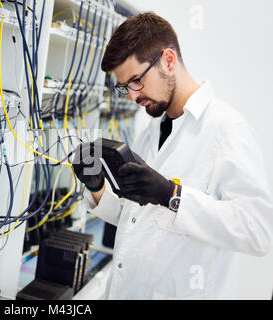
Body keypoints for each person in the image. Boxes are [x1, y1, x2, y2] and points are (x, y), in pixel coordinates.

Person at [72, 12, 273, 299]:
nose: (131, 96)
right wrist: (97, 188)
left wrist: (173, 195)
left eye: (136, 81)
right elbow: (137, 221)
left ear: (168, 60)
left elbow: (258, 232)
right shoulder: (151, 132)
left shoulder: (227, 129)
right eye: (124, 87)